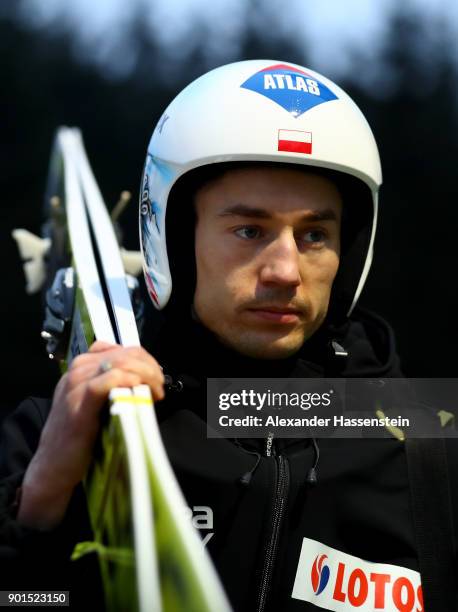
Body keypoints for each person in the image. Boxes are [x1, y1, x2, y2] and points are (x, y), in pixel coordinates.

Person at [0, 60, 456, 611]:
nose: (285, 271)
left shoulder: (431, 448)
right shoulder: (62, 430)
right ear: (173, 238)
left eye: (314, 234)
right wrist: (39, 507)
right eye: (249, 230)